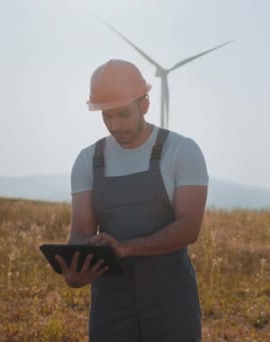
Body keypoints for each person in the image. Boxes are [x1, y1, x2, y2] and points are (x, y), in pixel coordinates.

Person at [54, 59, 208, 341]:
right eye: (106, 116)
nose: (115, 125)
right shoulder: (88, 160)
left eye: (123, 114)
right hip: (110, 303)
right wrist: (74, 267)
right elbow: (82, 230)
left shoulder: (182, 151)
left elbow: (189, 228)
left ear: (145, 104)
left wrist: (126, 248)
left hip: (171, 300)